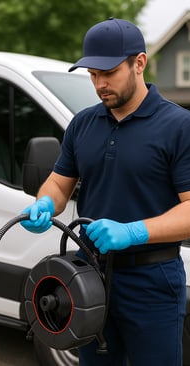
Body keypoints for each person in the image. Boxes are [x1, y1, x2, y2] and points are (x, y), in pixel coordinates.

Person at [20, 18, 190, 366]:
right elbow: (58, 183)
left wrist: (133, 231)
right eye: (92, 74)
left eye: (108, 72)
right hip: (89, 279)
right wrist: (44, 205)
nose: (99, 83)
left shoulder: (179, 126)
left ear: (139, 63)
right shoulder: (83, 123)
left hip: (152, 283)